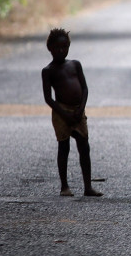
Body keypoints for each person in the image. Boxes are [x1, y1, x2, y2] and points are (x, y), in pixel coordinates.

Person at [41, 28, 103, 197]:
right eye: (57, 48)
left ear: (68, 47)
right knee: (64, 147)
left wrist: (80, 109)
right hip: (61, 112)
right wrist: (64, 114)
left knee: (84, 146)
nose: (61, 51)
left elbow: (84, 88)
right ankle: (64, 187)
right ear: (50, 48)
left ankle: (88, 187)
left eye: (64, 47)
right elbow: (48, 98)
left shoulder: (75, 64)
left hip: (78, 111)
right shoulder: (48, 71)